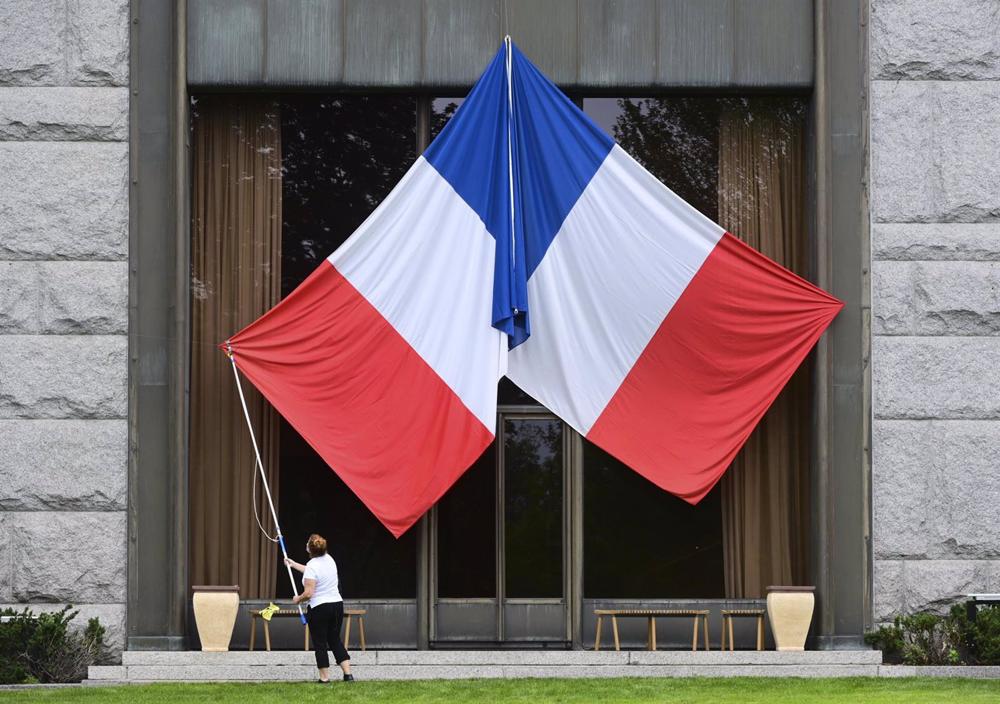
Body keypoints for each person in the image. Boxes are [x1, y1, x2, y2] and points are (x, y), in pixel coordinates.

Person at [284, 534, 354, 683]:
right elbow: (312, 571)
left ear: (309, 548)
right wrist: (293, 564)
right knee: (335, 639)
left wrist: (298, 599)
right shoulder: (330, 559)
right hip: (336, 605)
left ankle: (324, 678)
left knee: (320, 642)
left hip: (320, 608)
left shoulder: (312, 566)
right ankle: (348, 674)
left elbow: (309, 593)